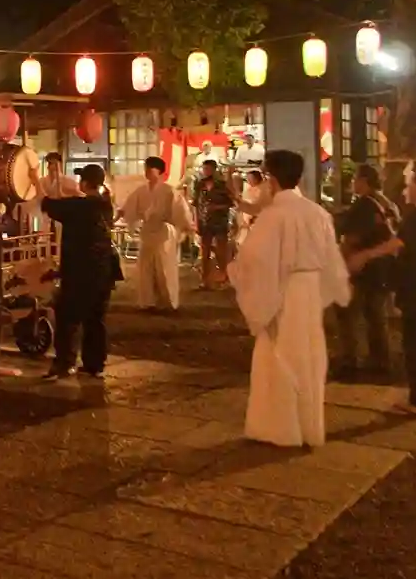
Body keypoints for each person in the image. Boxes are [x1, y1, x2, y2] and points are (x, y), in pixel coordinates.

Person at [227, 150, 350, 448]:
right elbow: (331, 260)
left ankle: (280, 429)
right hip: (309, 292)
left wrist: (236, 271)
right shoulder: (317, 213)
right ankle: (308, 428)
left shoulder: (273, 216)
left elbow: (257, 260)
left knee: (278, 355)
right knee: (307, 356)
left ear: (271, 179)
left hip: (283, 291)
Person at [347, 167, 416, 416]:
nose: (406, 188)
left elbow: (397, 243)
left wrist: (364, 255)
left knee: (415, 342)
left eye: (410, 183)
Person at [31, 164, 121, 379]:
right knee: (95, 319)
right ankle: (94, 364)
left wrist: (35, 179)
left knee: (67, 318)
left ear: (86, 183)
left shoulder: (81, 207)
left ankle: (64, 363)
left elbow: (47, 203)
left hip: (81, 271)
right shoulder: (105, 205)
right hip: (104, 270)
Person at [332, 164, 399, 380]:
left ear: (364, 181)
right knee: (376, 315)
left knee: (347, 312)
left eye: (356, 179)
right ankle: (380, 360)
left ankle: (349, 361)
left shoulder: (364, 205)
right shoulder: (387, 203)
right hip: (384, 267)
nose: (353, 183)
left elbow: (352, 238)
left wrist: (342, 264)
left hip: (363, 266)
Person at [118, 157, 192, 312]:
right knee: (145, 267)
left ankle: (167, 301)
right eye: (146, 169)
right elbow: (129, 207)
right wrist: (122, 214)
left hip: (163, 231)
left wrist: (186, 226)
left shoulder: (169, 190)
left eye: (150, 169)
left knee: (164, 267)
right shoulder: (141, 190)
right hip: (147, 231)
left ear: (159, 171)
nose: (146, 172)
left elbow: (180, 212)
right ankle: (148, 301)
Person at [192, 159, 235, 290]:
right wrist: (196, 221)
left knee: (221, 251)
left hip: (219, 221)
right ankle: (205, 279)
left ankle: (224, 277)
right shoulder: (200, 184)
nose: (206, 172)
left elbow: (230, 203)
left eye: (208, 169)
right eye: (204, 169)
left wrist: (216, 207)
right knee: (204, 252)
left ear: (214, 170)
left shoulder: (222, 185)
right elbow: (196, 204)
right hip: (204, 221)